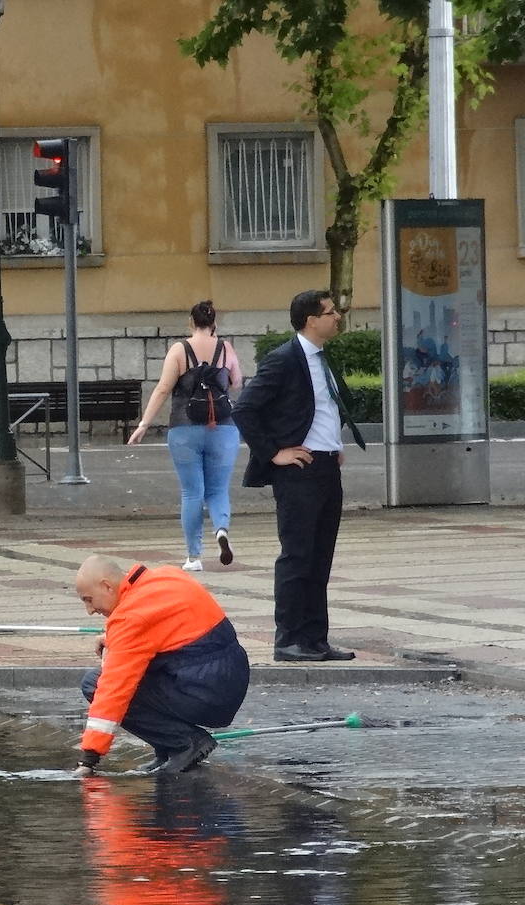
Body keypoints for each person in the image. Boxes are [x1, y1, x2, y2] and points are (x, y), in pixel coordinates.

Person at [232, 289, 366, 663]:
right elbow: (245, 410)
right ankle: (289, 639)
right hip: (298, 472)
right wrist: (275, 452)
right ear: (311, 319)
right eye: (330, 312)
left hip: (326, 466)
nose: (337, 316)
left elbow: (322, 408)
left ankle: (316, 639)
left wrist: (333, 443)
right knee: (297, 555)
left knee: (321, 556)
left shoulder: (323, 358)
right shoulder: (285, 359)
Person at [72, 554, 249, 776]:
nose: (90, 610)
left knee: (95, 683)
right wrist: (113, 638)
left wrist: (89, 757)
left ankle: (186, 744)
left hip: (203, 692)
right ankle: (167, 749)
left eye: (88, 599)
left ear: (107, 586)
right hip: (227, 679)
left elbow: (113, 690)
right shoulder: (166, 576)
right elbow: (166, 627)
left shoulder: (131, 618)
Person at [128, 300, 243, 571]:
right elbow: (237, 382)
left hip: (184, 429)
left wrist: (144, 423)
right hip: (223, 429)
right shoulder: (226, 349)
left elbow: (162, 389)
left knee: (192, 493)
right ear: (214, 324)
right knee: (217, 490)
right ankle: (222, 531)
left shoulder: (180, 350)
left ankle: (194, 557)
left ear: (191, 323)